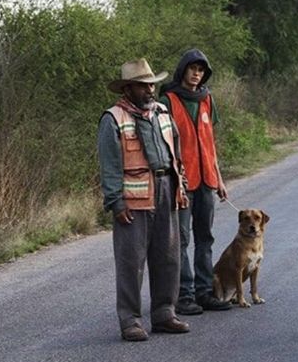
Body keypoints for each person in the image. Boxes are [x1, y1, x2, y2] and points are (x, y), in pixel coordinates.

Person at [98, 58, 191, 341]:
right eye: (143, 86)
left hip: (166, 189)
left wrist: (182, 186)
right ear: (128, 89)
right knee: (131, 262)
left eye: (151, 84)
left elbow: (176, 153)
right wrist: (116, 201)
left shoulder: (162, 112)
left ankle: (164, 313)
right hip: (133, 198)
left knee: (169, 256)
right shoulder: (113, 118)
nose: (150, 90)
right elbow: (109, 164)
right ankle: (130, 321)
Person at [159, 49, 232, 315]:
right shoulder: (168, 100)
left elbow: (210, 143)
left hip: (207, 181)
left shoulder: (207, 99)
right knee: (181, 240)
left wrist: (220, 180)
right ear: (183, 71)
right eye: (192, 69)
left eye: (201, 70)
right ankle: (184, 295)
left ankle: (204, 292)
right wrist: (170, 181)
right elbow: (162, 144)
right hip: (181, 182)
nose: (196, 74)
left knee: (206, 237)